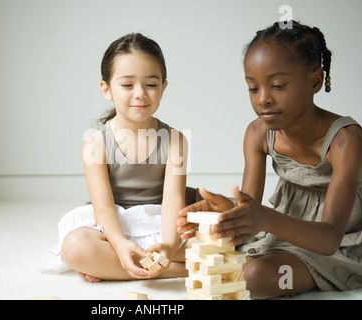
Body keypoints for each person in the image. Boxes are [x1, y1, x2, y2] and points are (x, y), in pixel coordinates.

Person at [177, 21, 362, 299]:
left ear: (314, 81)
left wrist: (263, 218)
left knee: (253, 276)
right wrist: (228, 213)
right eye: (253, 88)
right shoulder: (257, 133)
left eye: (277, 86)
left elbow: (329, 238)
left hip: (339, 244)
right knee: (194, 249)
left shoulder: (345, 140)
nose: (262, 99)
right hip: (280, 233)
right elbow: (248, 208)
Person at [59, 33, 189, 282]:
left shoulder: (175, 140)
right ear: (106, 89)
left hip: (160, 222)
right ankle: (177, 270)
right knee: (76, 246)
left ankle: (114, 269)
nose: (140, 94)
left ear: (163, 87)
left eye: (151, 84)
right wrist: (118, 244)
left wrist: (170, 246)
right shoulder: (96, 143)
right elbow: (104, 207)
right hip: (113, 226)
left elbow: (173, 200)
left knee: (220, 235)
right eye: (127, 85)